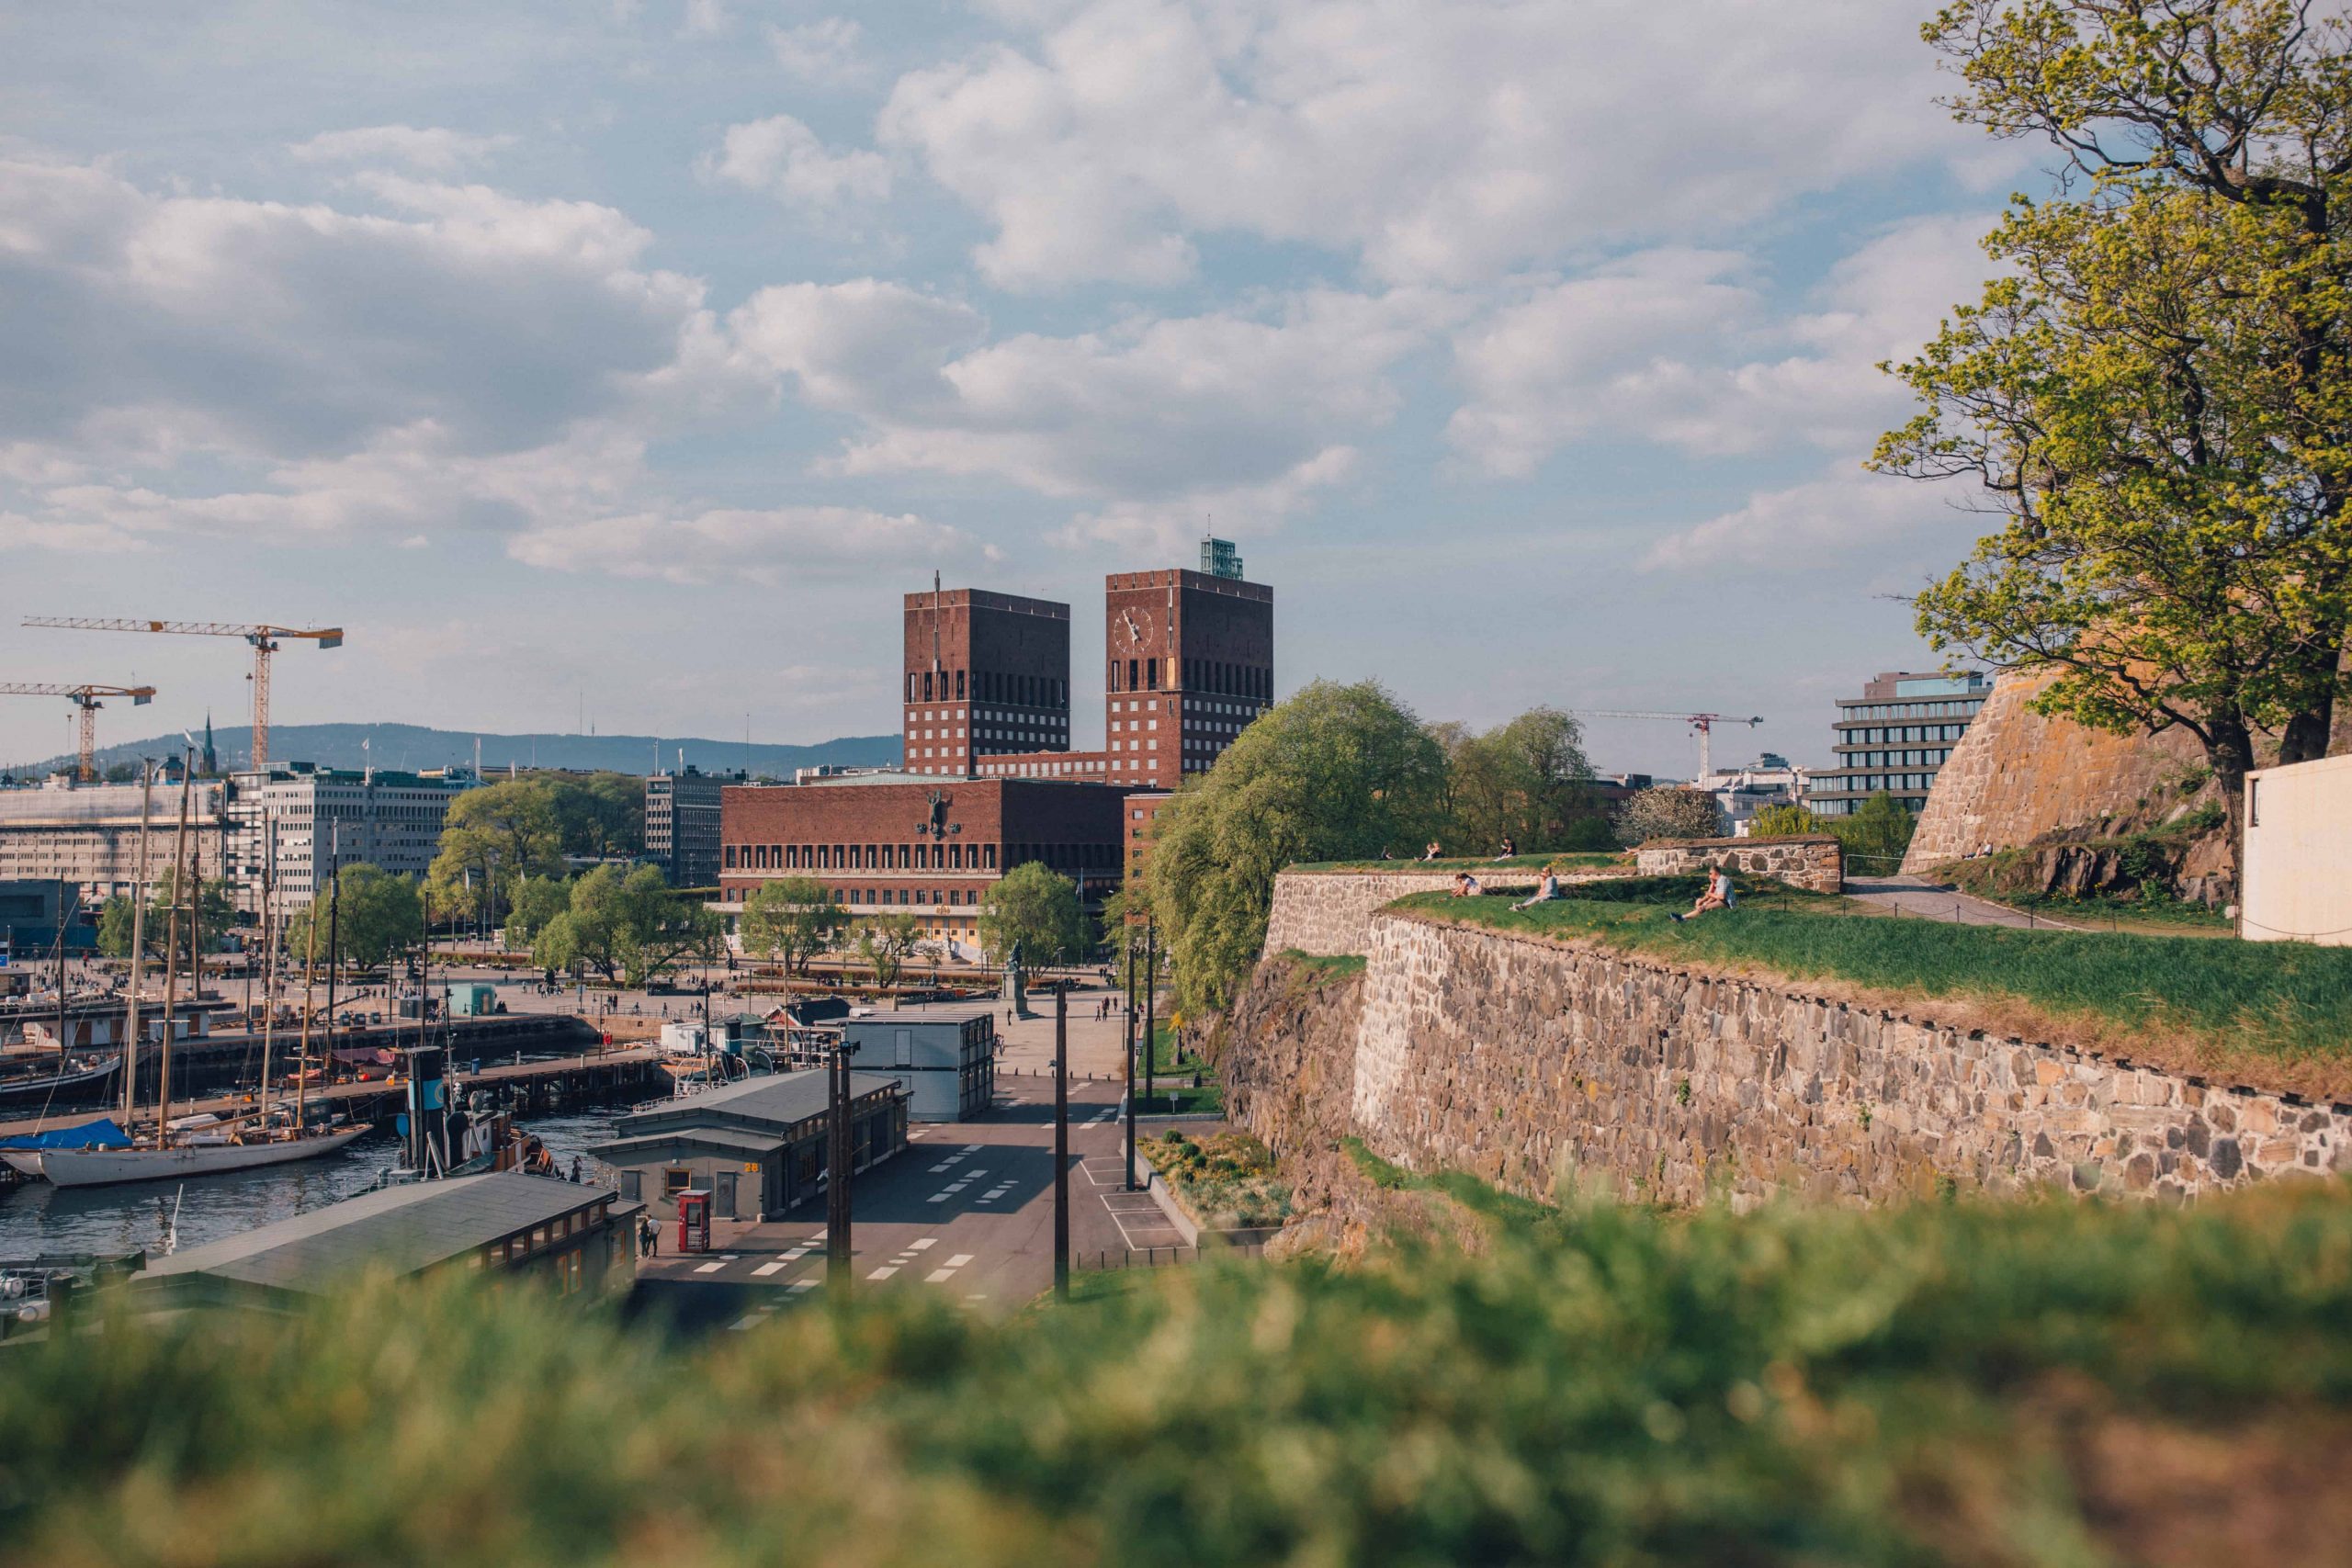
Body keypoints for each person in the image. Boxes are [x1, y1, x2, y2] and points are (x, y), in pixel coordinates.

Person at [1672, 866, 1736, 922]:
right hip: (1722, 901)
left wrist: (1709, 896)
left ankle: (1683, 917)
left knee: (1705, 907)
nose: (1709, 875)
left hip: (1727, 903)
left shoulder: (1722, 880)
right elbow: (1715, 896)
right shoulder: (1719, 881)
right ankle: (1686, 918)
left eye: (1710, 873)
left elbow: (1722, 897)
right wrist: (1705, 901)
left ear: (1715, 873)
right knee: (1703, 904)